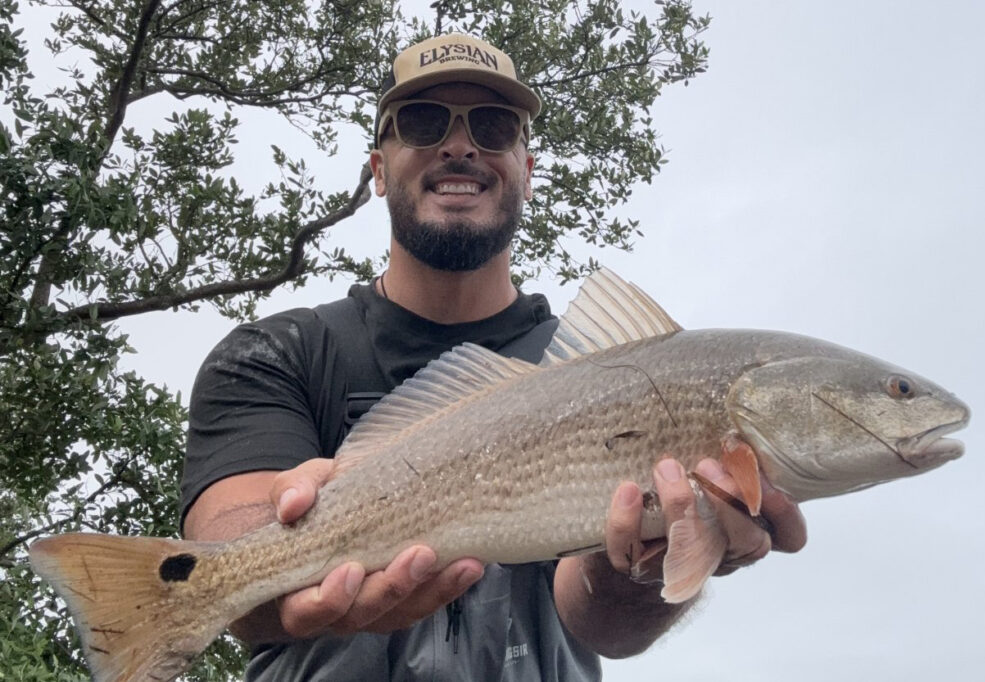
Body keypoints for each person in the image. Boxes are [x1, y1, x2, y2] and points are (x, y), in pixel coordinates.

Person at [180, 33, 807, 681]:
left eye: (493, 125)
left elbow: (601, 625)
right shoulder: (272, 356)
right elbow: (220, 555)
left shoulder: (606, 370)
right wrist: (265, 552)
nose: (460, 145)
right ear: (378, 169)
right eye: (424, 122)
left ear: (527, 171)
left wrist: (645, 560)